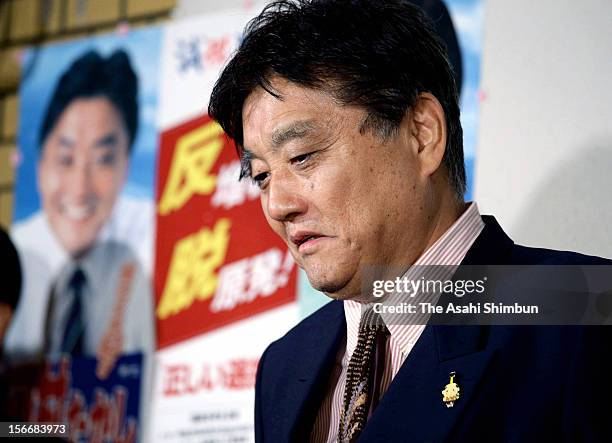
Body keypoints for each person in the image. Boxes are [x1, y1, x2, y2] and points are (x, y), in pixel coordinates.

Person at [208, 1, 612, 442]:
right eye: (262, 176)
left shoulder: (584, 311)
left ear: (422, 134)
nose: (278, 204)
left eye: (303, 157)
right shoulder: (285, 365)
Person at [5, 50, 154, 373]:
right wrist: (21, 429)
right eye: (65, 158)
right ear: (40, 162)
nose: (80, 187)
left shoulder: (137, 265)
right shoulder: (12, 265)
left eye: (103, 159)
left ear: (125, 167)